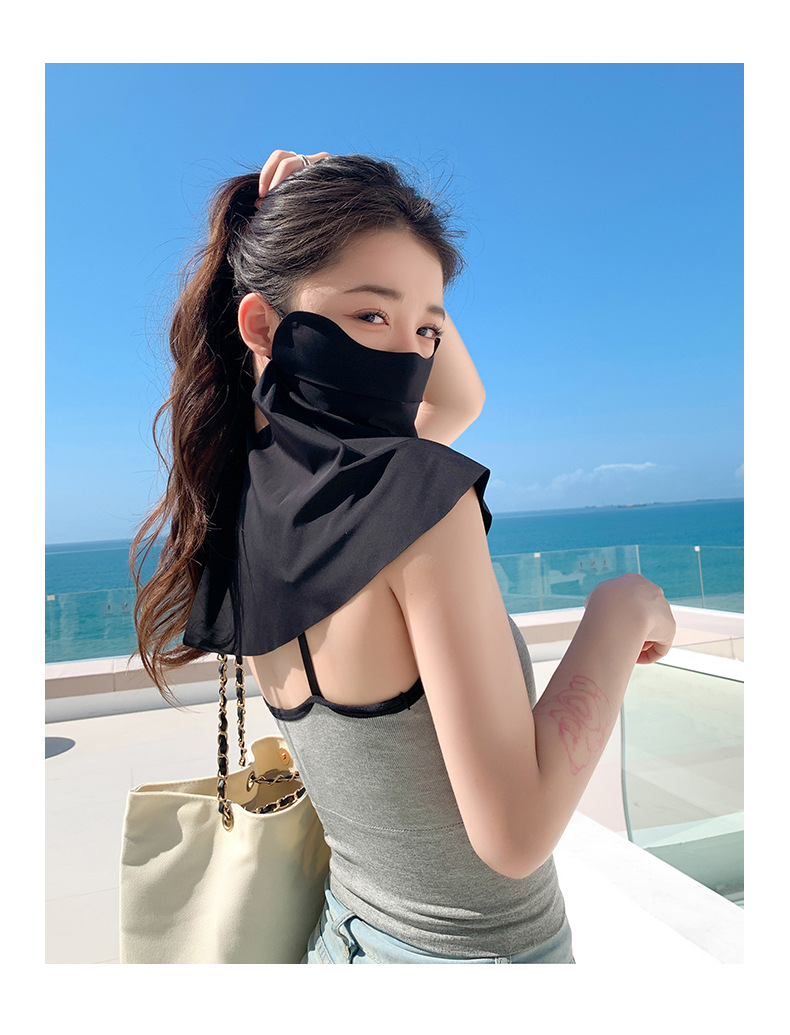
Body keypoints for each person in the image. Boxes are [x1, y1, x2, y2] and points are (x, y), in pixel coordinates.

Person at [131, 149, 676, 964]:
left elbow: (458, 398)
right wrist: (620, 607)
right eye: (369, 316)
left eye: (427, 329)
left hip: (341, 942)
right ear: (262, 325)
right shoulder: (416, 497)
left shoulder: (241, 503)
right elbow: (516, 833)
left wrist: (376, 248)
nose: (408, 355)